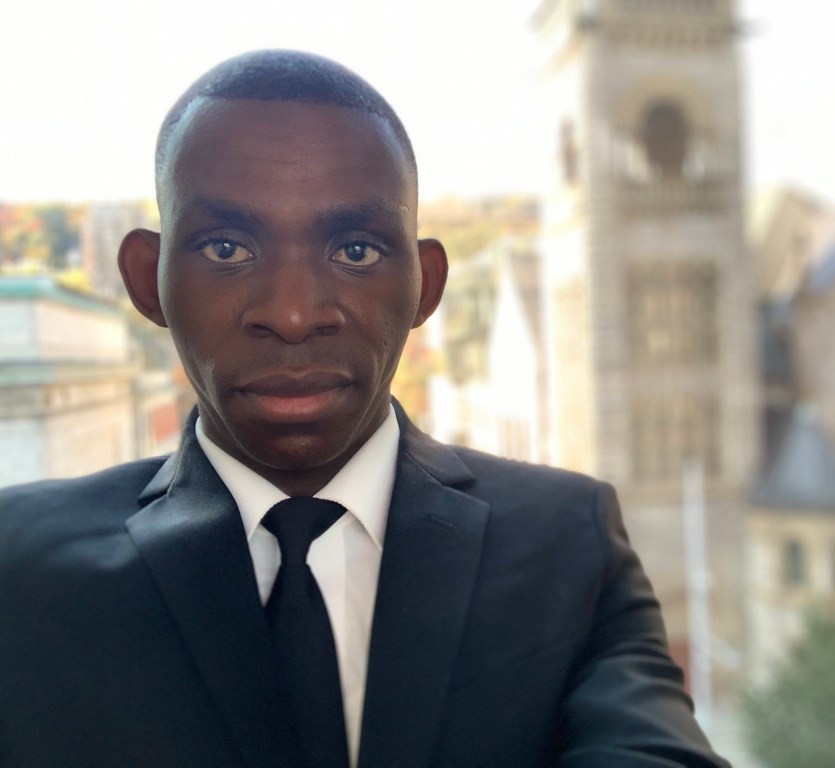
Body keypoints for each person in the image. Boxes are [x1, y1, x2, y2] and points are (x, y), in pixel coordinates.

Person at [0, 50, 730, 768]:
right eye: (226, 248)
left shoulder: (570, 543)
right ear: (147, 280)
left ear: (425, 287)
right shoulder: (17, 568)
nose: (293, 314)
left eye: (355, 250)